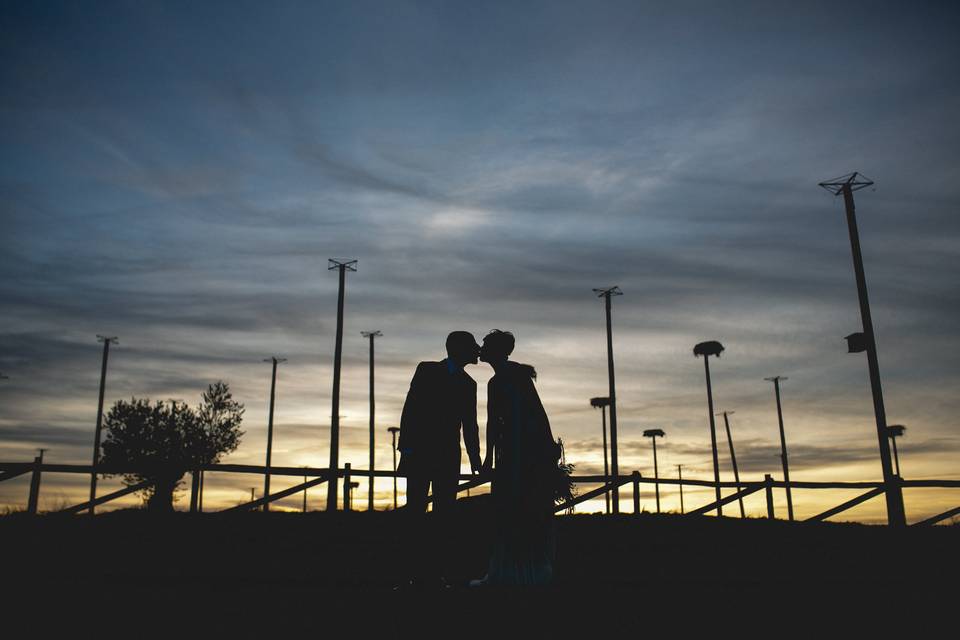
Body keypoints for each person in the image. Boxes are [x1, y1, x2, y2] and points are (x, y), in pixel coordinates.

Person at [473, 329, 566, 586]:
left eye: (485, 345)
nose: (480, 349)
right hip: (519, 452)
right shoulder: (514, 377)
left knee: (515, 508)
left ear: (497, 351)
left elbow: (497, 423)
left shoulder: (505, 379)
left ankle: (515, 571)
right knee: (519, 510)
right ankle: (523, 570)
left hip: (519, 455)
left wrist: (488, 458)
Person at [395, 331, 483, 588]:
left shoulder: (469, 384)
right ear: (457, 349)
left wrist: (475, 460)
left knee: (444, 517)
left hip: (448, 458)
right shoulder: (426, 370)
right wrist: (407, 449)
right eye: (471, 347)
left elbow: (470, 426)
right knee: (415, 514)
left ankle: (436, 573)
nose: (476, 351)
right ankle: (411, 574)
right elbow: (411, 409)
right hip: (420, 454)